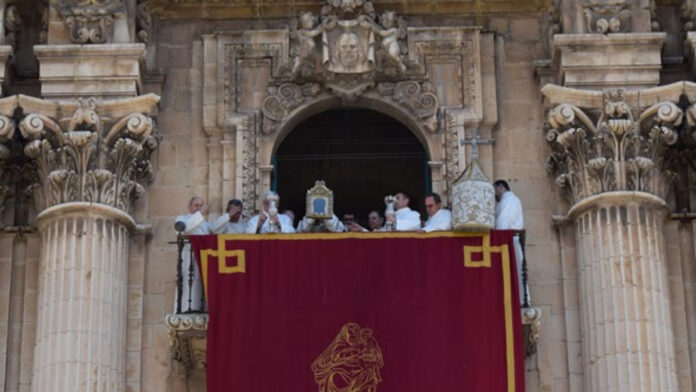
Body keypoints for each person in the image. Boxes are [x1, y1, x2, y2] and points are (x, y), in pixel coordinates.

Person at [174, 196, 211, 312]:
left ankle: (202, 307)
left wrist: (227, 217)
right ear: (189, 207)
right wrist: (200, 215)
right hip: (189, 253)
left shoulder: (205, 223)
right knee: (189, 278)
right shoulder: (182, 218)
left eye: (201, 206)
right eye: (196, 205)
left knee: (201, 279)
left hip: (203, 254)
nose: (199, 208)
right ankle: (186, 308)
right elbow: (185, 229)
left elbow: (214, 229)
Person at [494, 180, 527, 305]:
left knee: (517, 271)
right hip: (507, 242)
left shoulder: (510, 200)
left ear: (501, 188)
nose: (494, 195)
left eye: (495, 191)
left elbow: (503, 223)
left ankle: (520, 300)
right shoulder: (503, 202)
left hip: (511, 241)